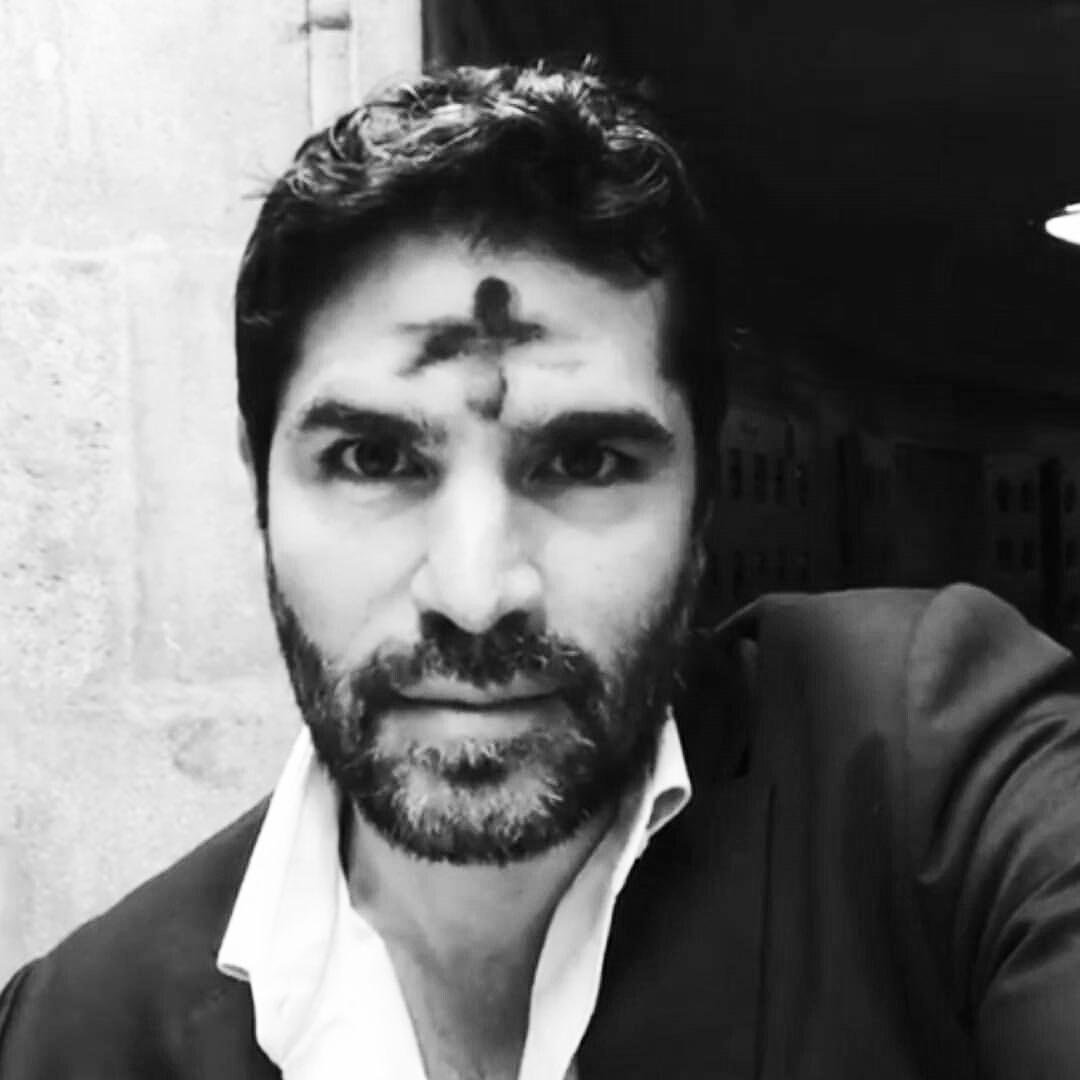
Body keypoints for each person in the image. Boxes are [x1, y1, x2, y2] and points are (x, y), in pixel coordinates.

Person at [2, 60, 1080, 1080]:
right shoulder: (67, 1037)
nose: (475, 596)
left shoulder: (935, 780)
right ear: (261, 487)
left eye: (586, 461)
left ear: (704, 499)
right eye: (373, 459)